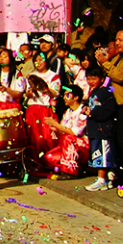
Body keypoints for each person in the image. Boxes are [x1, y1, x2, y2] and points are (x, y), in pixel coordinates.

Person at [23, 52, 61, 176]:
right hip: (32, 109)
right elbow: (26, 94)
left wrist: (44, 88)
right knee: (32, 137)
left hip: (45, 109)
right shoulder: (31, 76)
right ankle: (34, 163)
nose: (38, 63)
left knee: (47, 137)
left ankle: (50, 162)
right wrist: (29, 93)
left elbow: (55, 93)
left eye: (41, 60)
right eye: (36, 60)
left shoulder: (53, 76)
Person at [83, 66, 119, 191]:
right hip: (94, 130)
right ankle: (105, 178)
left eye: (94, 78)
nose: (91, 81)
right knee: (97, 154)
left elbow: (109, 110)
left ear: (102, 79)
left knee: (103, 156)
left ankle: (102, 180)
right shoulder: (93, 92)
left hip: (103, 130)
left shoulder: (106, 92)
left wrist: (93, 114)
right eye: (89, 78)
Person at [43, 84, 90, 179]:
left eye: (67, 95)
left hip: (84, 145)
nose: (64, 98)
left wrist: (57, 125)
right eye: (64, 95)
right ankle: (74, 167)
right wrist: (55, 129)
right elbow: (63, 131)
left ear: (76, 97)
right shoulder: (67, 112)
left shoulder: (83, 111)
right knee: (49, 157)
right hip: (68, 144)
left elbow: (75, 133)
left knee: (68, 138)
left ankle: (71, 172)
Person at [96, 29, 123, 172]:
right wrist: (101, 62)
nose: (117, 43)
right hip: (115, 105)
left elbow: (120, 75)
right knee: (117, 140)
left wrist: (105, 64)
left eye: (121, 40)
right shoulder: (117, 58)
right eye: (117, 40)